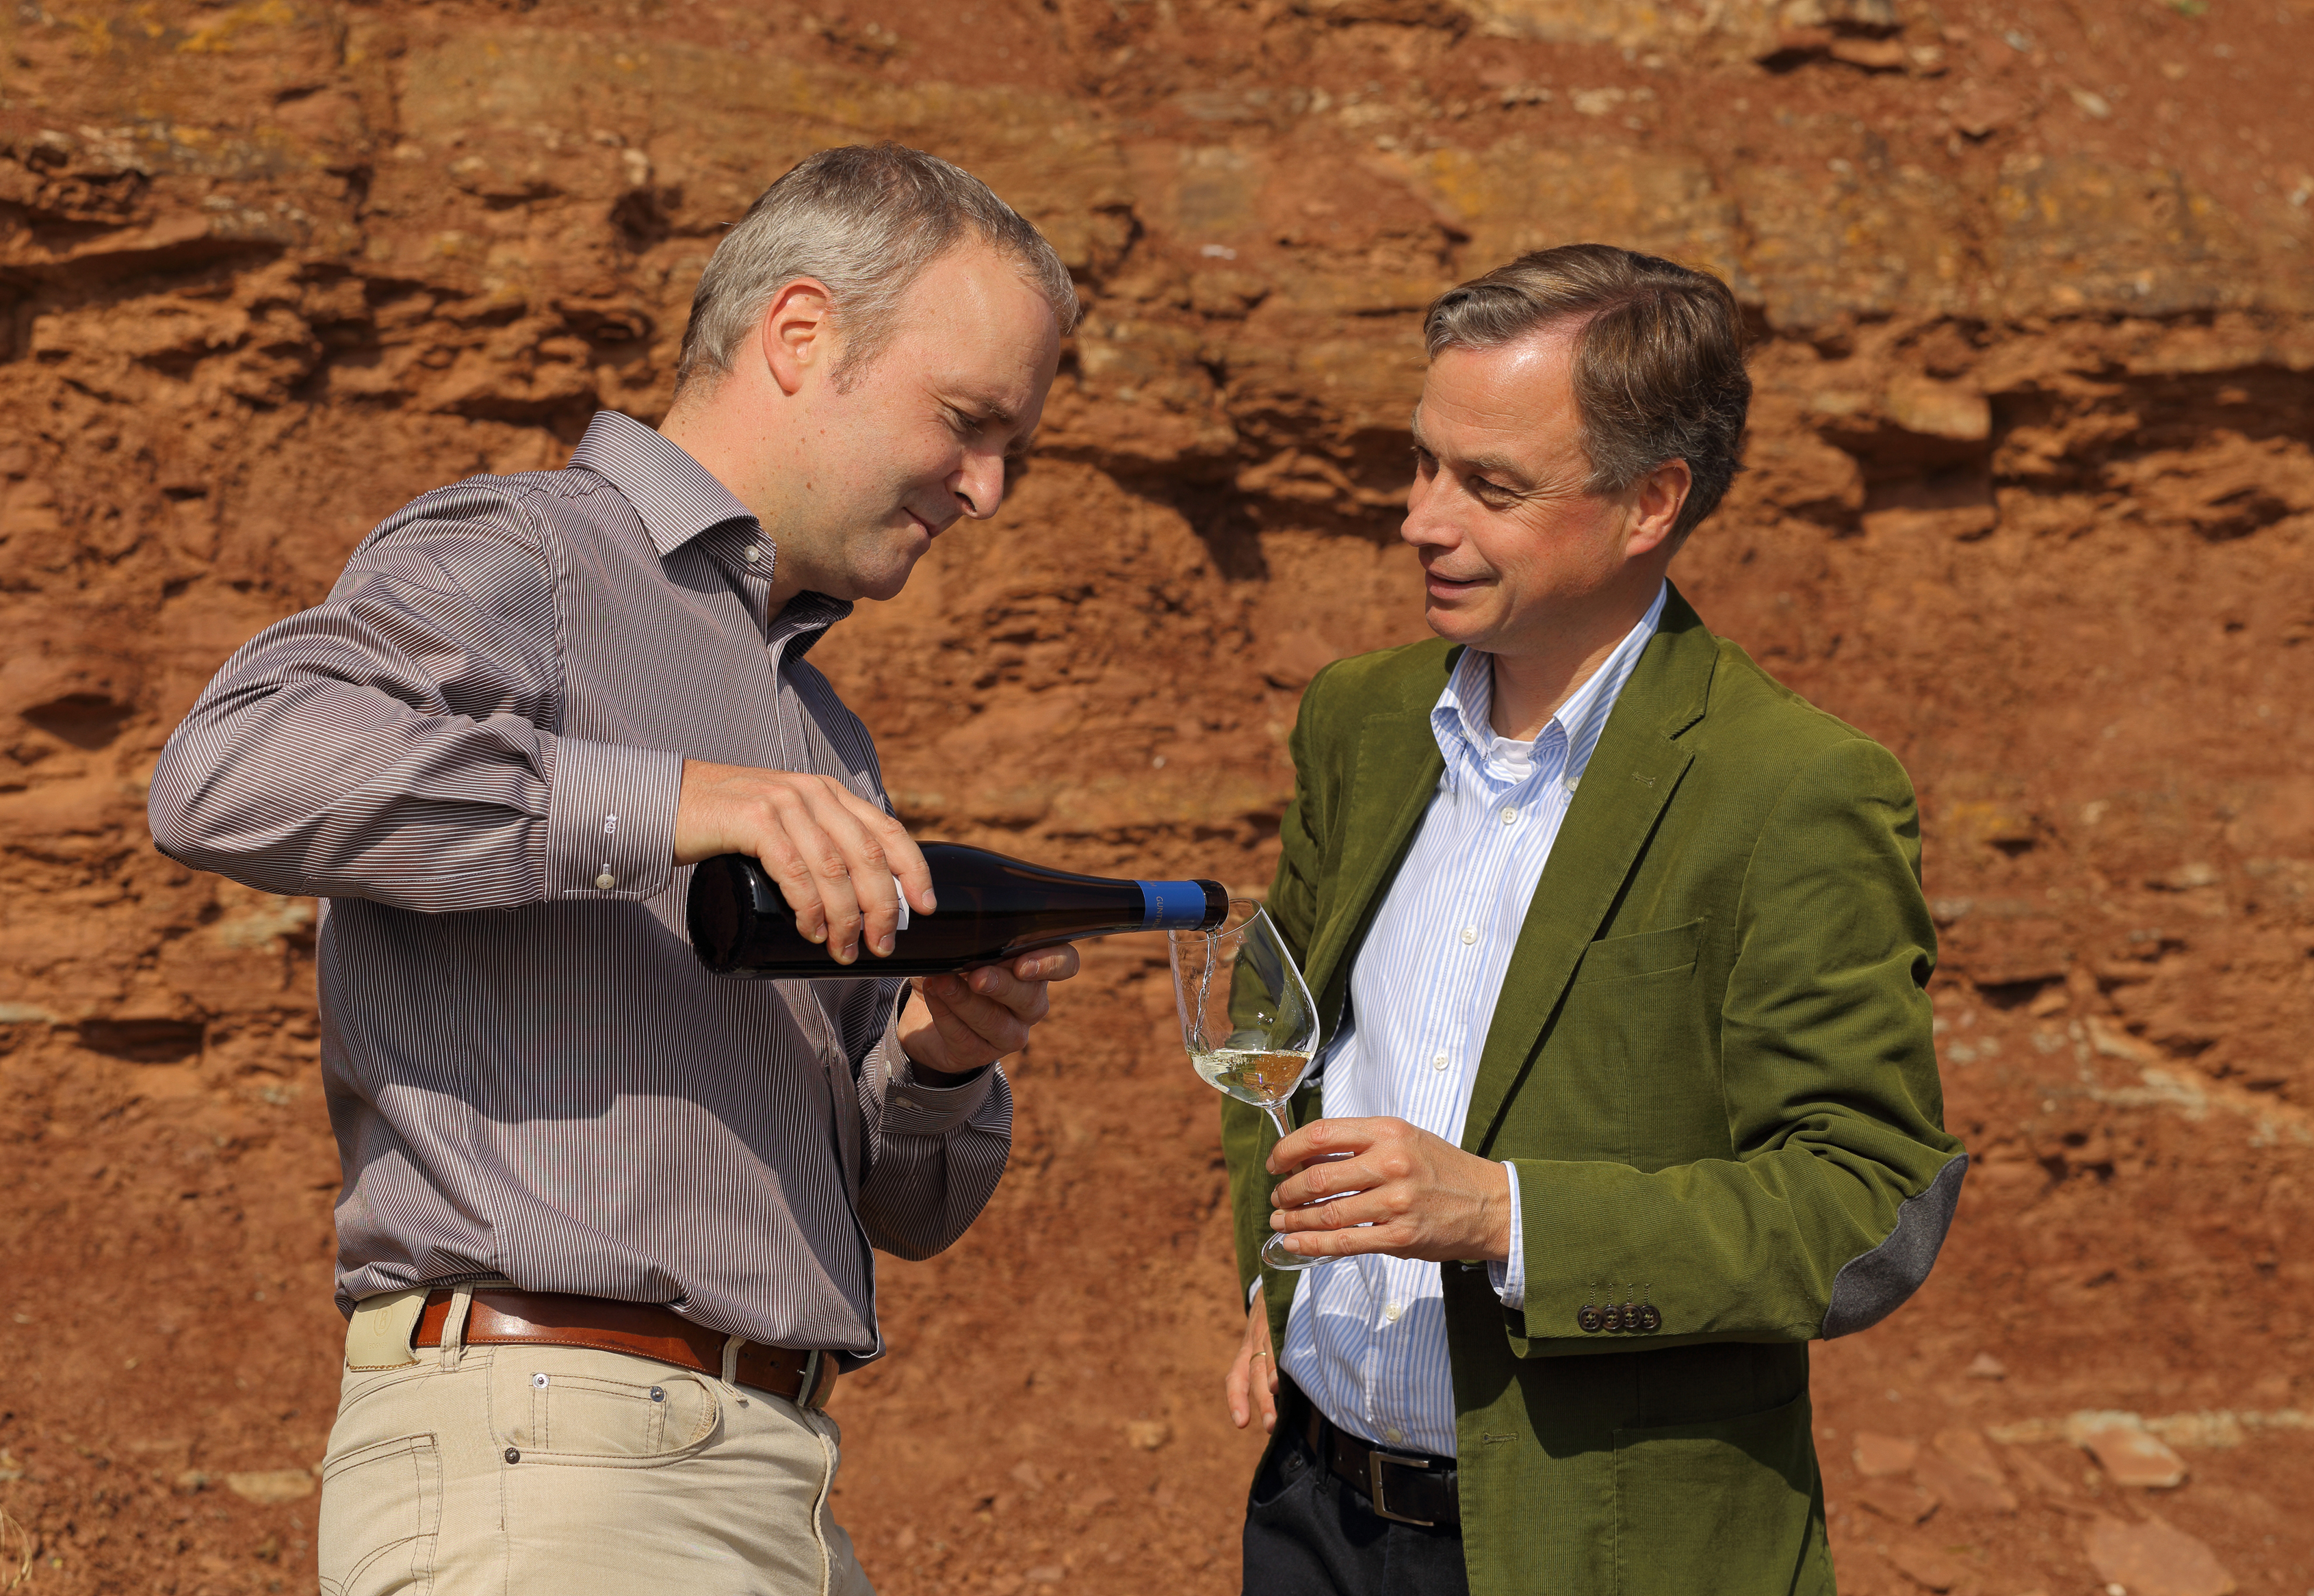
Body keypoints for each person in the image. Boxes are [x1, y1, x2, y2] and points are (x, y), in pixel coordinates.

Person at [149, 144, 1079, 1596]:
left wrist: (937, 1061)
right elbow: (235, 768)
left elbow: (904, 1208)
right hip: (553, 1461)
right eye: (967, 423)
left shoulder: (816, 728)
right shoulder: (531, 551)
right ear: (799, 335)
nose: (989, 487)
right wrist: (669, 800)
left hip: (767, 1470)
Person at [1217, 245, 1964, 1596]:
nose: (1420, 520)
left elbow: (1869, 1210)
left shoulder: (1791, 789)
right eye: (1423, 462)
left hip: (1601, 1552)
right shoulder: (1361, 718)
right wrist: (1264, 1288)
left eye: (1488, 486)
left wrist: (1505, 1216)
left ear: (1647, 504)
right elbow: (1283, 1017)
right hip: (1312, 1517)